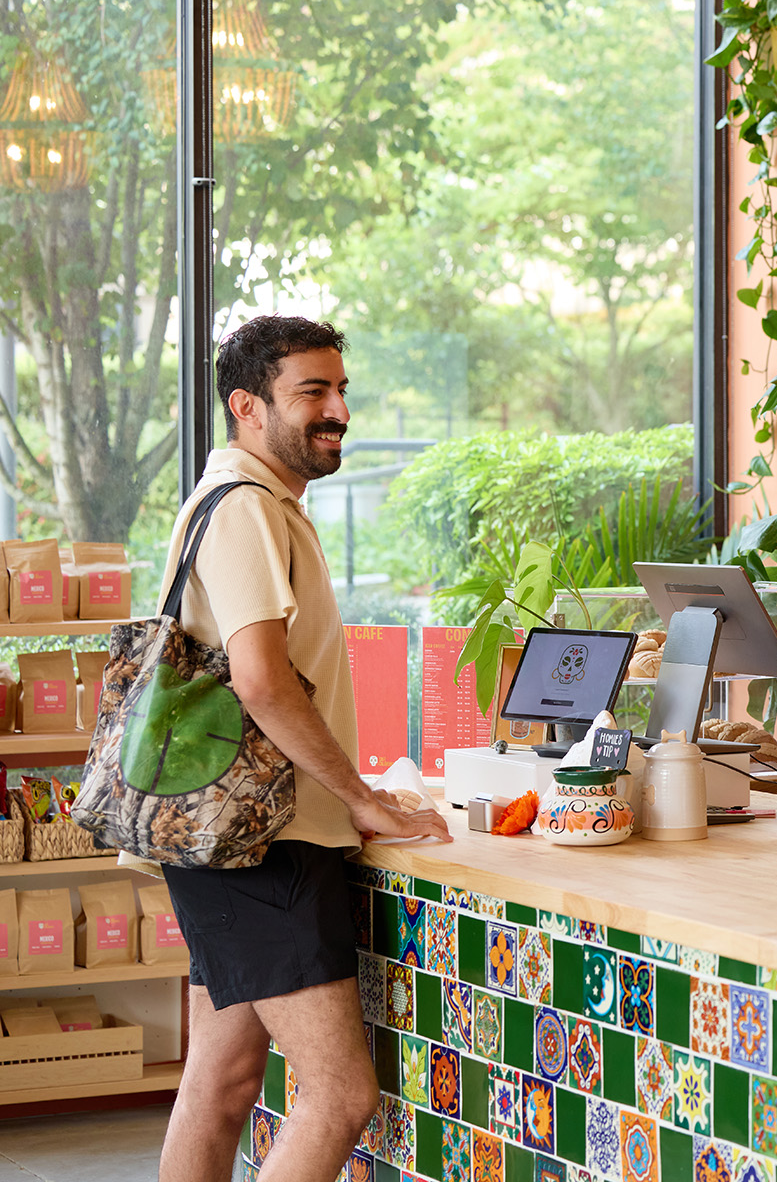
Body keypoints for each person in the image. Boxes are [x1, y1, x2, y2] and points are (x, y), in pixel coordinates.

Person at [157, 315, 453, 1182]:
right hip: (269, 844)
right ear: (248, 407)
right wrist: (363, 799)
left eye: (341, 390)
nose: (338, 411)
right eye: (311, 393)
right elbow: (261, 680)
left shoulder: (252, 501)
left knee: (222, 1077)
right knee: (338, 1097)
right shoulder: (247, 510)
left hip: (234, 838)